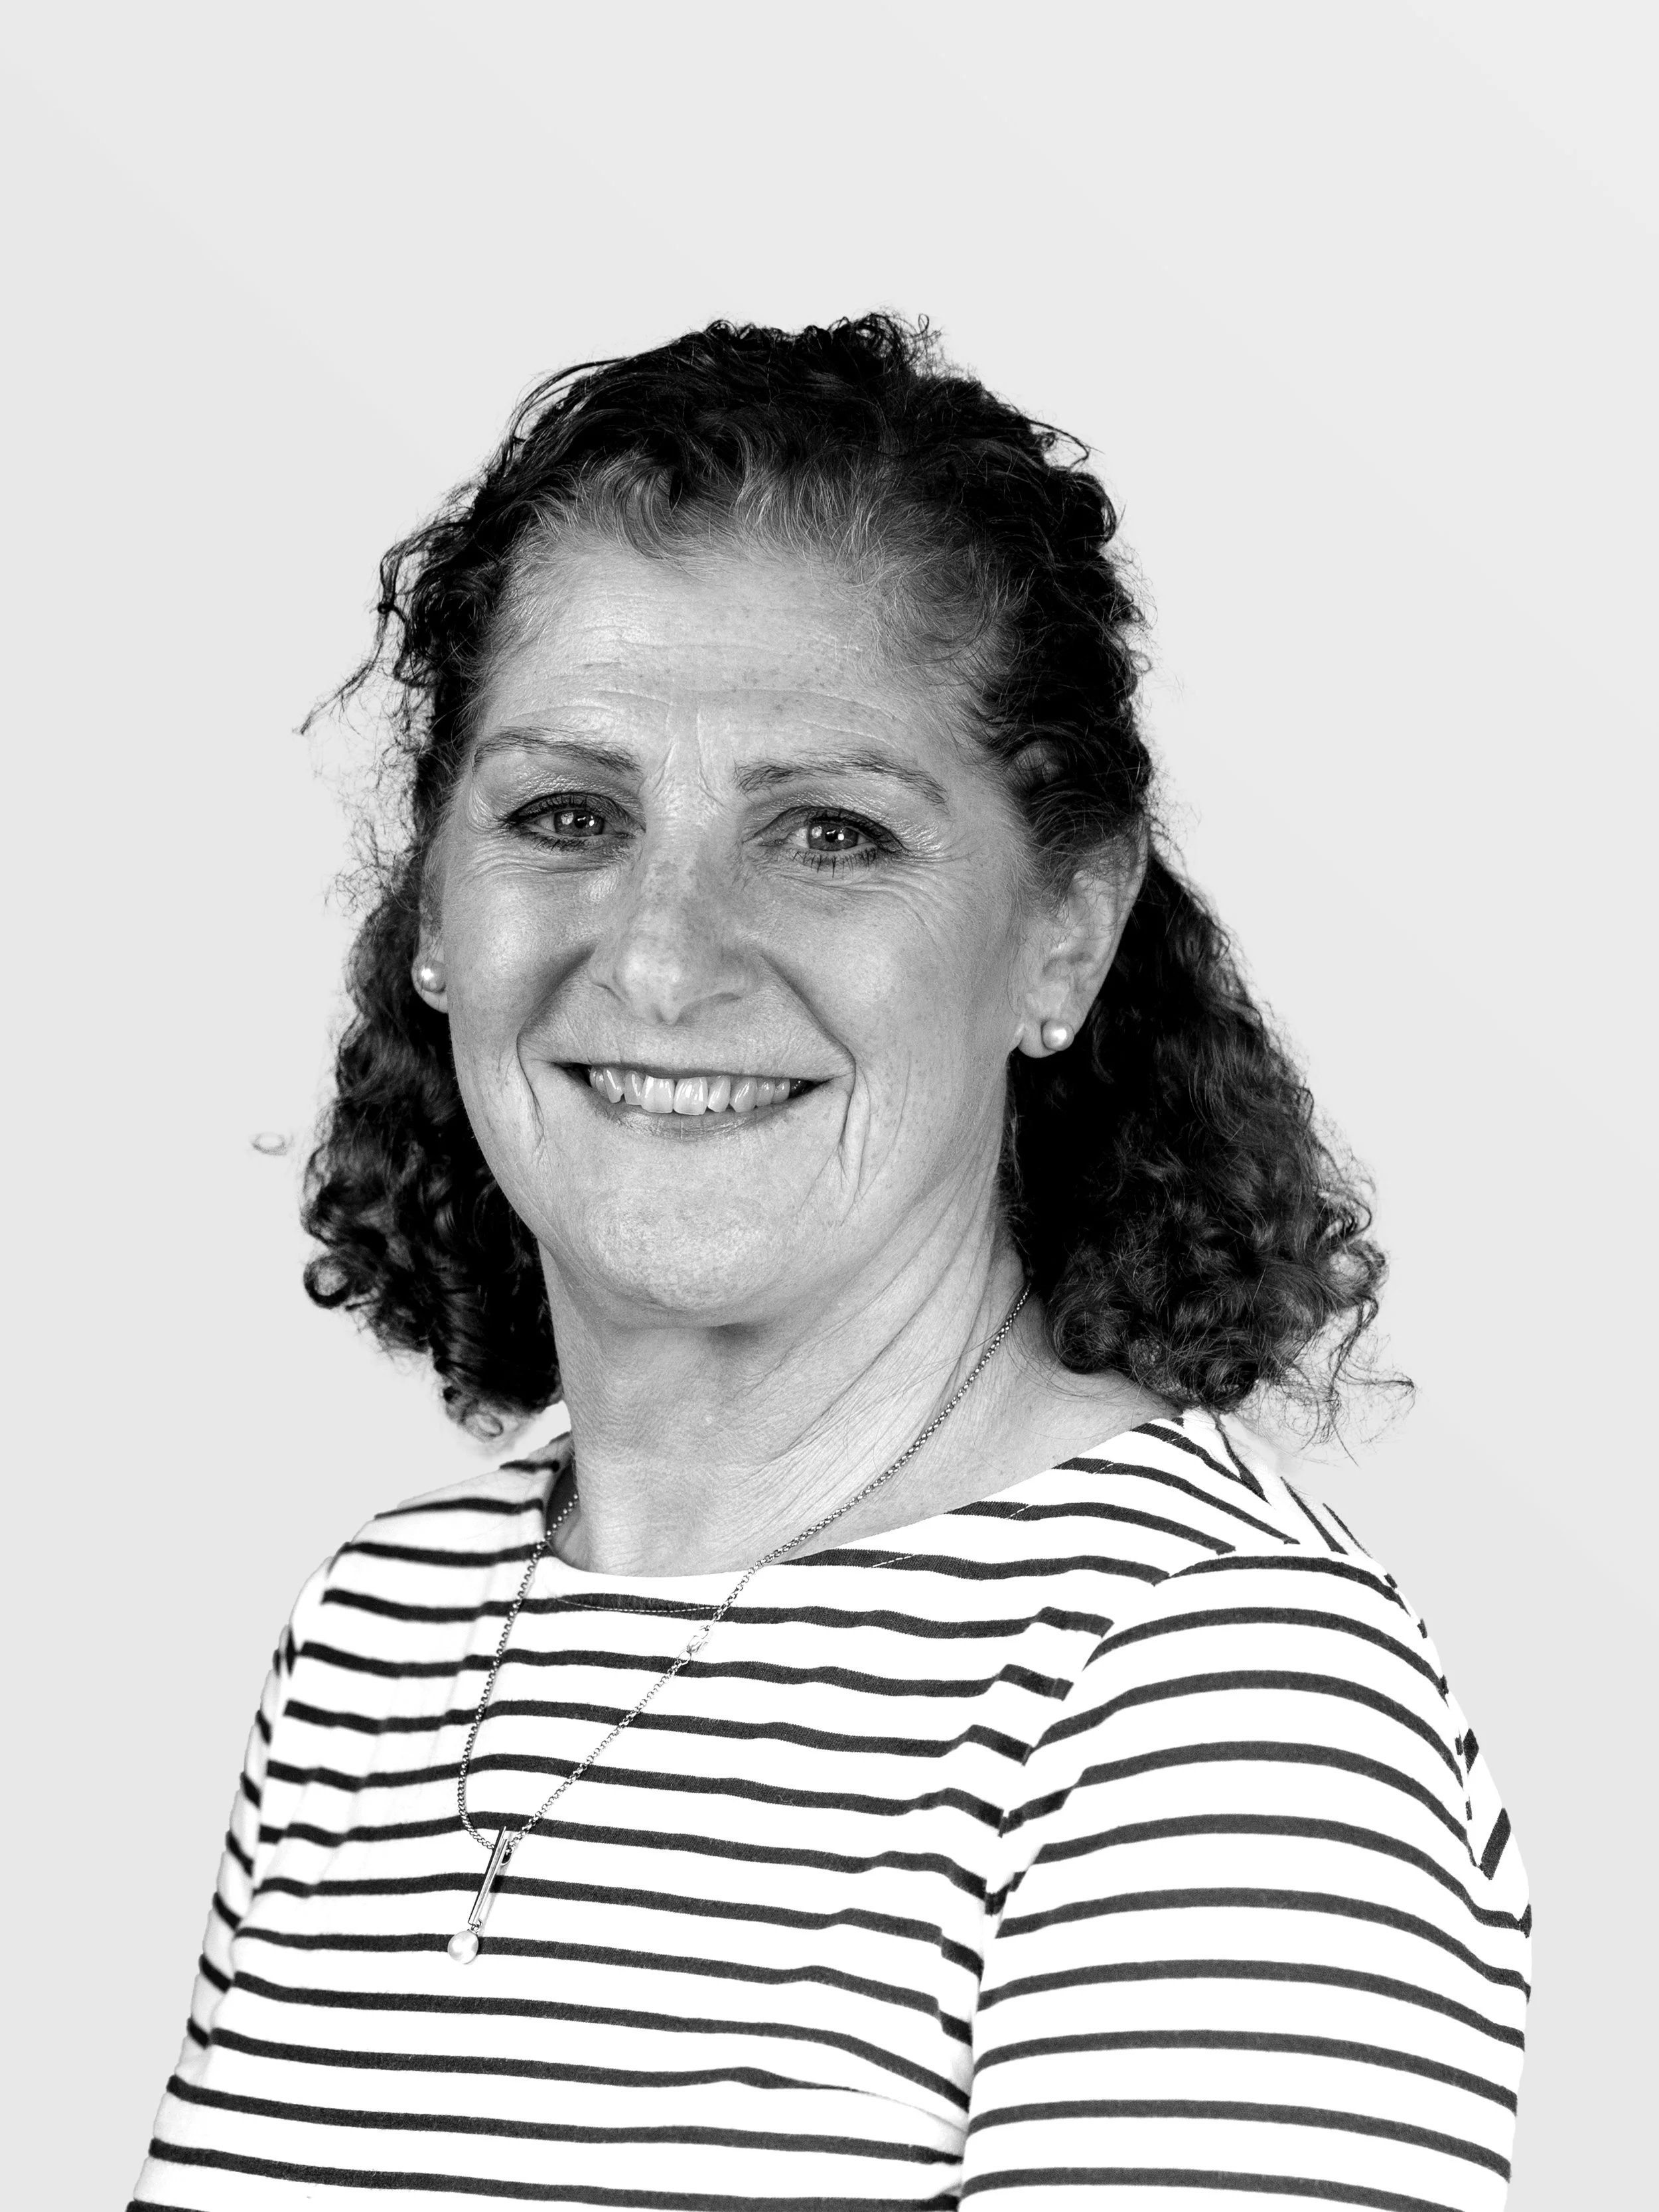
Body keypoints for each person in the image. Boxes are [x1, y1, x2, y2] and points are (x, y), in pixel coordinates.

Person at [132, 315, 1528, 2209]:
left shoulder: (1210, 1701)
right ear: (431, 911)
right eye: (567, 815)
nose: (661, 956)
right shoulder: (376, 1648)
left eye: (826, 832)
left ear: (1060, 935)